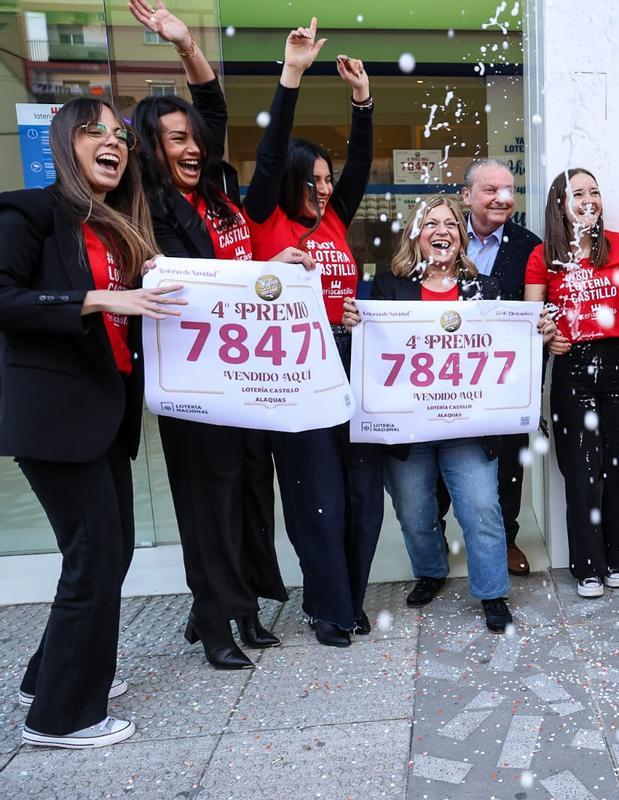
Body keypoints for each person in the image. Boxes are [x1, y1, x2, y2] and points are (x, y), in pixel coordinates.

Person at [0, 97, 184, 748]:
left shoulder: (117, 229)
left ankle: (49, 676)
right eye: (93, 131)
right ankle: (63, 716)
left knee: (109, 552)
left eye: (120, 135)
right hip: (54, 416)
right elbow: (5, 298)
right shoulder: (28, 212)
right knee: (96, 556)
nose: (112, 142)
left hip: (104, 417)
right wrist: (99, 297)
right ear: (64, 144)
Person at [129, 0, 302, 668]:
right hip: (197, 380)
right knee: (211, 503)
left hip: (244, 375)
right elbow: (194, 283)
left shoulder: (218, 189)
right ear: (151, 148)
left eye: (193, 136)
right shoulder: (150, 207)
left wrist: (185, 45)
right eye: (175, 139)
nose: (192, 145)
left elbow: (214, 112)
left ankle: (247, 605)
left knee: (252, 490)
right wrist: (261, 268)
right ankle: (215, 620)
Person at [243, 18, 383, 648]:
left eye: (328, 183)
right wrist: (292, 74)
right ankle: (326, 608)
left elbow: (357, 167)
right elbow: (271, 154)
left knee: (361, 495)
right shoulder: (266, 216)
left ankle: (348, 600)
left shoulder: (333, 220)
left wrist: (362, 102)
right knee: (316, 499)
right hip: (293, 372)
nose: (326, 191)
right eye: (315, 181)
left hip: (349, 363)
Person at [342, 197, 515, 633]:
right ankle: (432, 571)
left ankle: (493, 592)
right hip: (408, 429)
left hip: (468, 427)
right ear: (416, 236)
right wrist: (354, 324)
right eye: (431, 223)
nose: (442, 230)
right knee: (415, 514)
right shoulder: (388, 288)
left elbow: (507, 345)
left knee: (480, 508)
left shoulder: (485, 289)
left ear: (461, 235)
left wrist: (537, 329)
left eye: (451, 223)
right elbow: (373, 349)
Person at [526, 168, 619, 598]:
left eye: (594, 192)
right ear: (560, 204)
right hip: (571, 367)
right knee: (582, 474)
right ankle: (588, 567)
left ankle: (617, 561)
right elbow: (535, 316)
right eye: (578, 193)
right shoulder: (542, 256)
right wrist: (548, 331)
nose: (589, 199)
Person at [441, 158, 542, 576]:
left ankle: (505, 538)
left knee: (508, 463)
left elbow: (539, 313)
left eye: (509, 190)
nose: (503, 198)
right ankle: (434, 539)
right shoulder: (441, 237)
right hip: (443, 376)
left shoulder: (530, 245)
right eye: (490, 190)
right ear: (466, 196)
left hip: (506, 377)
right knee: (439, 457)